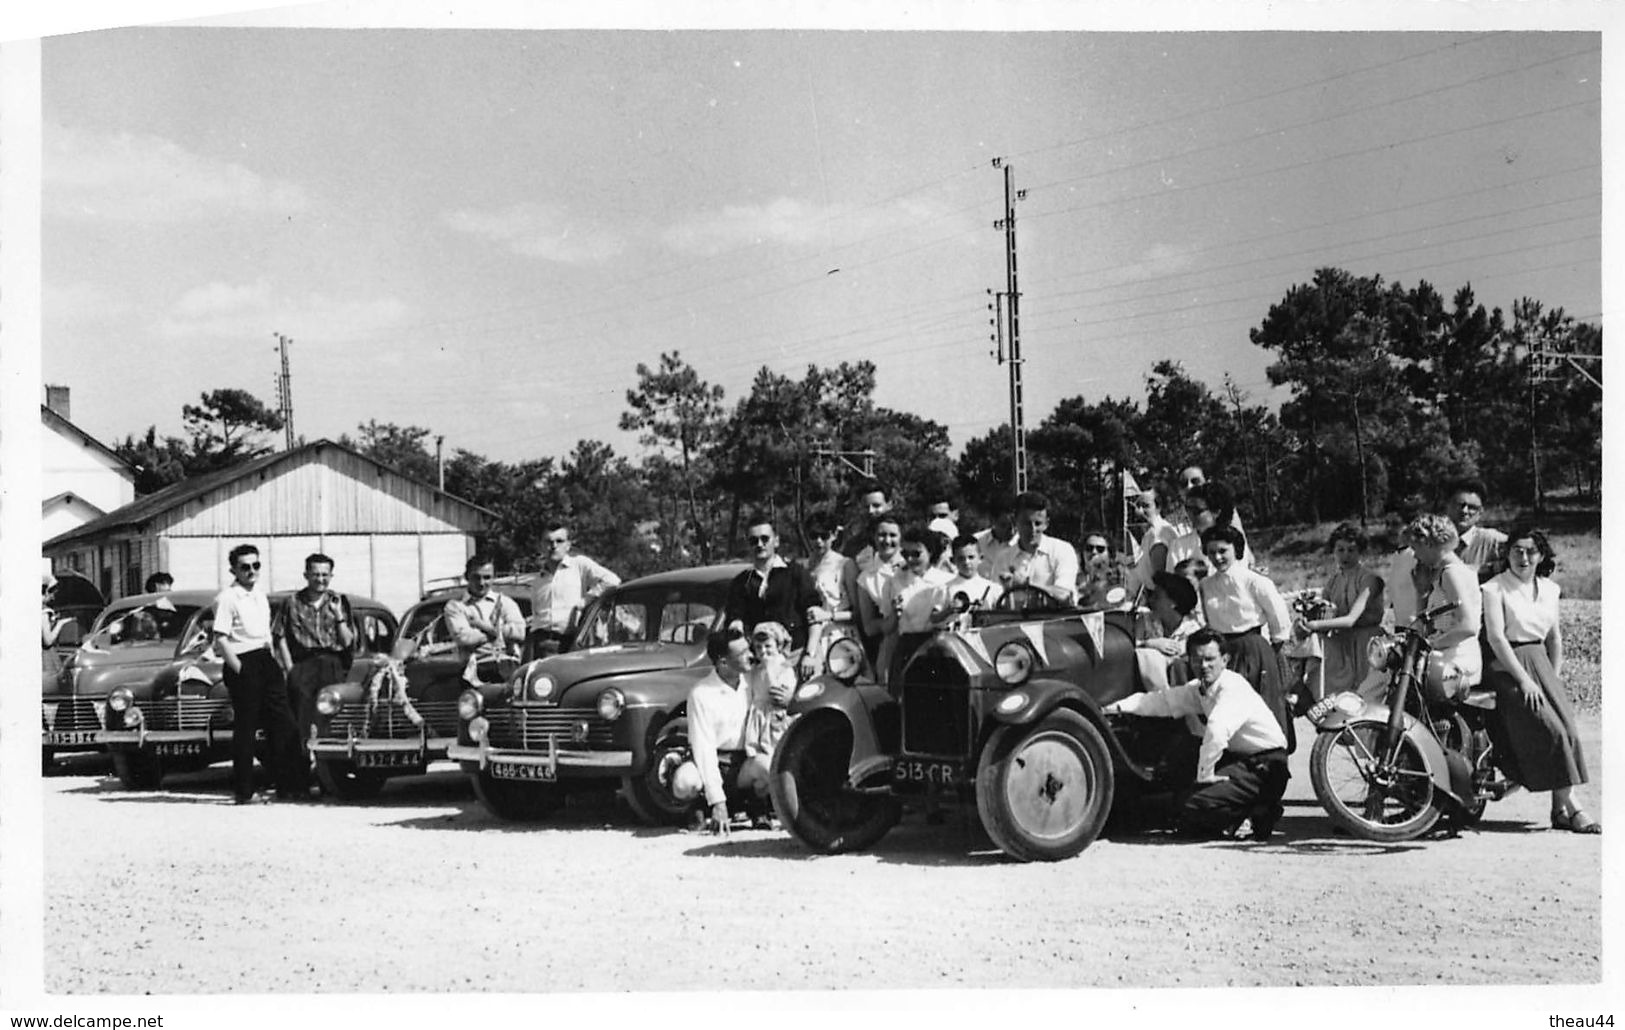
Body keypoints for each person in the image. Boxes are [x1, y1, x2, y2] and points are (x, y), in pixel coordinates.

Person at [1104, 628, 1290, 840]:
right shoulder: (1199, 688)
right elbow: (1160, 701)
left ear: (1225, 660)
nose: (1203, 666)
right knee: (1178, 792)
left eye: (1210, 659)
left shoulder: (1232, 687)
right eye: (1197, 659)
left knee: (1193, 805)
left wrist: (1206, 775)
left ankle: (1259, 810)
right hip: (1239, 759)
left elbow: (1217, 731)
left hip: (1266, 766)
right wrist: (1113, 707)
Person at [1480, 526, 1598, 834]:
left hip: (1542, 664)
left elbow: (1554, 638)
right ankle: (1574, 808)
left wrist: (1553, 679)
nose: (1523, 556)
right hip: (1508, 665)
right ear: (1507, 554)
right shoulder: (1494, 588)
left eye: (1531, 550)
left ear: (1541, 555)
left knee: (1569, 731)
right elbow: (1496, 638)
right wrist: (1524, 681)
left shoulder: (1550, 589)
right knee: (1553, 731)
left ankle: (1559, 809)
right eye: (1517, 550)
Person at [214, 544, 307, 804]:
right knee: (246, 729)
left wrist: (272, 663)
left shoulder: (259, 595)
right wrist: (241, 670)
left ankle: (290, 785)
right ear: (233, 569)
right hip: (242, 662)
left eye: (256, 566)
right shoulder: (227, 598)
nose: (251, 571)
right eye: (245, 567)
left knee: (284, 723)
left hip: (265, 659)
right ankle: (244, 791)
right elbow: (221, 639)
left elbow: (266, 634)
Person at [1196, 524, 1294, 749]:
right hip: (1224, 652)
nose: (1217, 557)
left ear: (1235, 549)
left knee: (1262, 706)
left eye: (1223, 550)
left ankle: (1271, 758)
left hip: (1254, 649)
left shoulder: (1254, 581)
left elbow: (1278, 618)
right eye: (1211, 552)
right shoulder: (1206, 586)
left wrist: (1273, 653)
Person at [669, 629, 758, 835]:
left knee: (767, 767)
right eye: (742, 653)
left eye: (748, 649)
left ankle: (755, 805)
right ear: (723, 662)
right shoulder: (701, 694)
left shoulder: (753, 683)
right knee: (684, 783)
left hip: (743, 761)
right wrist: (718, 801)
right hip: (713, 759)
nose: (751, 656)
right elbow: (704, 750)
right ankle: (701, 806)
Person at [723, 515, 826, 677]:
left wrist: (810, 655)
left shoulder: (795, 573)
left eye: (765, 539)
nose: (759, 544)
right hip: (761, 664)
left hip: (798, 659)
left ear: (776, 541)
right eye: (753, 541)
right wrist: (736, 624)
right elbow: (734, 619)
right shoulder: (741, 582)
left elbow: (814, 617)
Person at [1295, 524, 1385, 698]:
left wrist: (1315, 624)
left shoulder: (1370, 579)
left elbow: (1351, 619)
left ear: (1360, 551)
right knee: (1341, 697)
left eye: (1351, 550)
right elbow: (1327, 616)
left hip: (1367, 643)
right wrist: (1308, 619)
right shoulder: (1333, 582)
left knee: (1368, 695)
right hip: (1342, 643)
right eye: (1340, 550)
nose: (1345, 555)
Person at [272, 553, 356, 736]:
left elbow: (348, 641)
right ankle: (304, 759)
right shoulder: (292, 602)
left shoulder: (339, 601)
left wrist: (339, 617)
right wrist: (290, 669)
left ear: (331, 576)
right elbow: (280, 637)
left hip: (332, 662)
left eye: (325, 575)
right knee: (303, 718)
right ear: (306, 575)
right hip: (303, 664)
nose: (320, 579)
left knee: (333, 714)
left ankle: (330, 760)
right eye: (316, 574)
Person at [1407, 514, 1483, 694]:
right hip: (1451, 655)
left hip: (1456, 659)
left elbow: (1468, 626)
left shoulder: (1451, 573)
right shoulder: (1455, 571)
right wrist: (1422, 593)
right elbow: (1424, 623)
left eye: (1415, 548)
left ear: (1427, 543)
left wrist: (1430, 646)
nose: (1415, 555)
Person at [877, 526, 953, 686]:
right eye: (905, 554)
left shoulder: (946, 581)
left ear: (930, 552)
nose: (910, 559)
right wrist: (895, 615)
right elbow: (886, 628)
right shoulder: (894, 581)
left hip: (936, 648)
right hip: (906, 648)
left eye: (916, 554)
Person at [528, 523, 620, 654]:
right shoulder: (538, 580)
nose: (553, 546)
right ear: (541, 546)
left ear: (568, 545)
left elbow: (612, 581)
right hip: (539, 643)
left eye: (559, 541)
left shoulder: (579, 565)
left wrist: (585, 600)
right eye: (548, 542)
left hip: (569, 643)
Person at [741, 621, 797, 828]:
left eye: (768, 647)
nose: (763, 652)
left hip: (775, 720)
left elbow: (776, 691)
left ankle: (782, 809)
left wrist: (771, 665)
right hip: (759, 720)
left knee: (777, 759)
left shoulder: (782, 668)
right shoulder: (755, 670)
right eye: (758, 648)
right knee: (760, 761)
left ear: (779, 646)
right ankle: (760, 808)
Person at [443, 554, 527, 687]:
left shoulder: (505, 602)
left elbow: (519, 632)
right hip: (474, 669)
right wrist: (497, 631)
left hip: (508, 667)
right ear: (467, 577)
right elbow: (464, 637)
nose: (482, 583)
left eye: (487, 577)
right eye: (476, 577)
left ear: (493, 578)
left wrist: (481, 626)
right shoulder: (456, 606)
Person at [989, 490, 1080, 604]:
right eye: (1026, 523)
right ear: (1015, 522)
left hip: (1056, 620)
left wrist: (1025, 585)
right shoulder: (1003, 559)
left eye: (1038, 523)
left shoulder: (1063, 551)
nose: (1032, 530)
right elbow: (994, 600)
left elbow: (1063, 594)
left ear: (1047, 523)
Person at [803, 511, 861, 663]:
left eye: (824, 536)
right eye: (814, 536)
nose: (819, 541)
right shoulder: (806, 566)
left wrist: (828, 616)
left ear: (834, 535)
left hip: (840, 635)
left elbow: (858, 613)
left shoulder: (845, 564)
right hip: (812, 637)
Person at [1133, 571, 1203, 695]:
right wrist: (1150, 643)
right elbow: (1133, 646)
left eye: (1157, 596)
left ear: (1173, 603)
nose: (1151, 600)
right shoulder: (1144, 619)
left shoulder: (1192, 630)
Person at [853, 515, 904, 665]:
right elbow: (869, 627)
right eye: (882, 535)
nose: (887, 541)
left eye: (893, 535)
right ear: (874, 537)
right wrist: (890, 621)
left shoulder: (915, 565)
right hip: (890, 641)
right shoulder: (866, 578)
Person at [1445, 479, 1508, 582]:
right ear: (1448, 506)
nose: (1464, 511)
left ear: (1480, 512)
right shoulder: (1435, 542)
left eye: (1472, 507)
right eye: (1460, 505)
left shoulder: (1492, 541)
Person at [1126, 483, 1180, 600]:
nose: (1139, 511)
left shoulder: (1159, 534)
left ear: (1158, 507)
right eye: (1138, 506)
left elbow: (1161, 579)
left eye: (1146, 506)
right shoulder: (1150, 533)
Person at [944, 534, 999, 612]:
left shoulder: (992, 588)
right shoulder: (946, 589)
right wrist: (949, 610)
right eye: (961, 558)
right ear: (953, 561)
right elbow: (934, 618)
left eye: (971, 557)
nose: (966, 562)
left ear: (981, 558)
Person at [973, 493, 1021, 580]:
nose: (1012, 531)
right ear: (992, 521)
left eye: (1015, 525)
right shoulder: (977, 542)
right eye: (1003, 525)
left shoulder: (1022, 545)